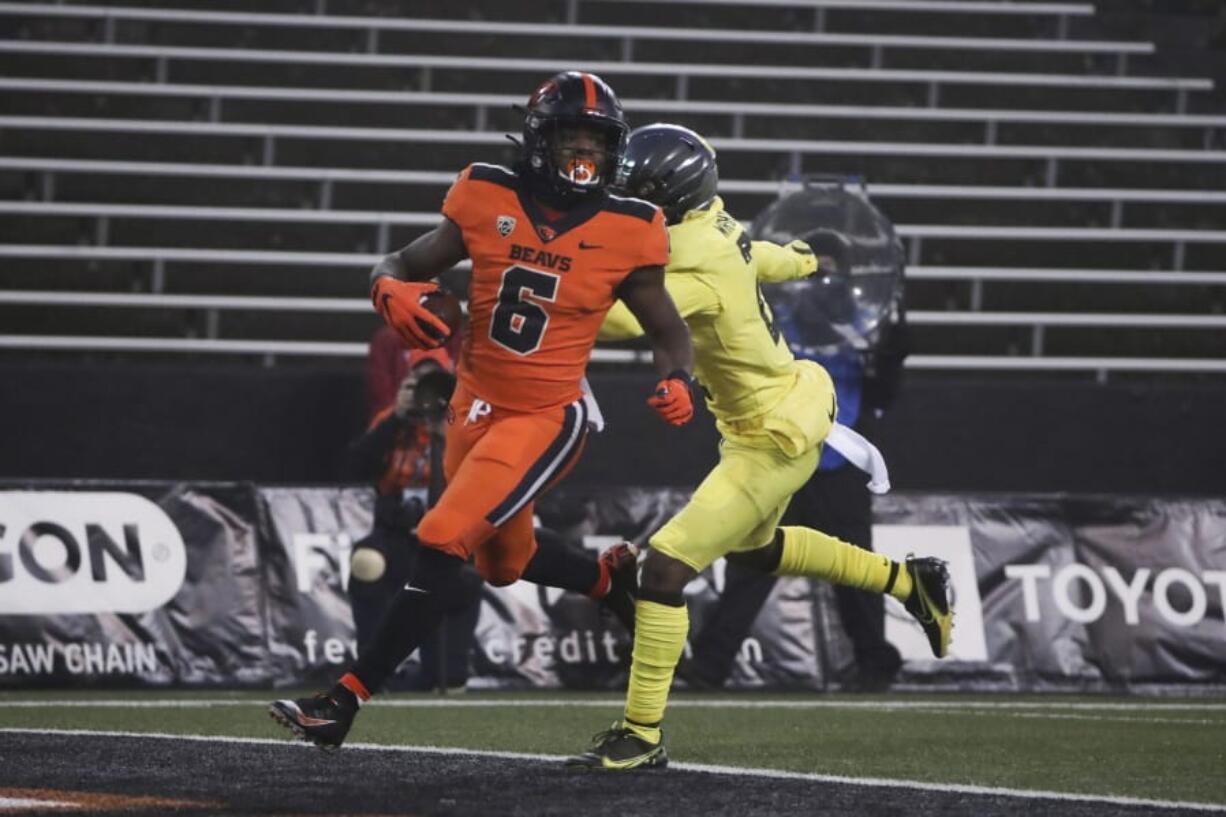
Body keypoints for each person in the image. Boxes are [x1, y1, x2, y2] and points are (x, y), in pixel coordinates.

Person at [270, 71, 695, 749]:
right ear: (538, 142)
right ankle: (605, 576)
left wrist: (680, 379)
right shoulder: (484, 193)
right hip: (473, 404)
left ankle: (342, 699)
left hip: (548, 412)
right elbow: (402, 259)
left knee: (443, 536)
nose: (584, 153)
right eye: (571, 139)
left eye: (596, 140)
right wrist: (386, 288)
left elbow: (669, 329)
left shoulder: (632, 227)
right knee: (503, 560)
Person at [567, 124, 952, 770]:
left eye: (639, 194)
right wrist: (804, 259)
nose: (627, 201)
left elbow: (624, 320)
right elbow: (760, 254)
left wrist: (561, 279)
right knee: (760, 549)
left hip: (772, 436)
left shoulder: (691, 258)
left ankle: (640, 733)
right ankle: (909, 581)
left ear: (670, 198)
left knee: (663, 567)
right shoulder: (716, 225)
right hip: (775, 416)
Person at [345, 330, 480, 692]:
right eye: (419, 384)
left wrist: (443, 429)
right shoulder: (391, 420)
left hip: (446, 535)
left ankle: (450, 671)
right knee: (366, 562)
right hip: (395, 533)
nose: (427, 395)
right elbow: (357, 465)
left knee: (465, 579)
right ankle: (374, 671)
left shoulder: (465, 425)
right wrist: (396, 418)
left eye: (435, 385)